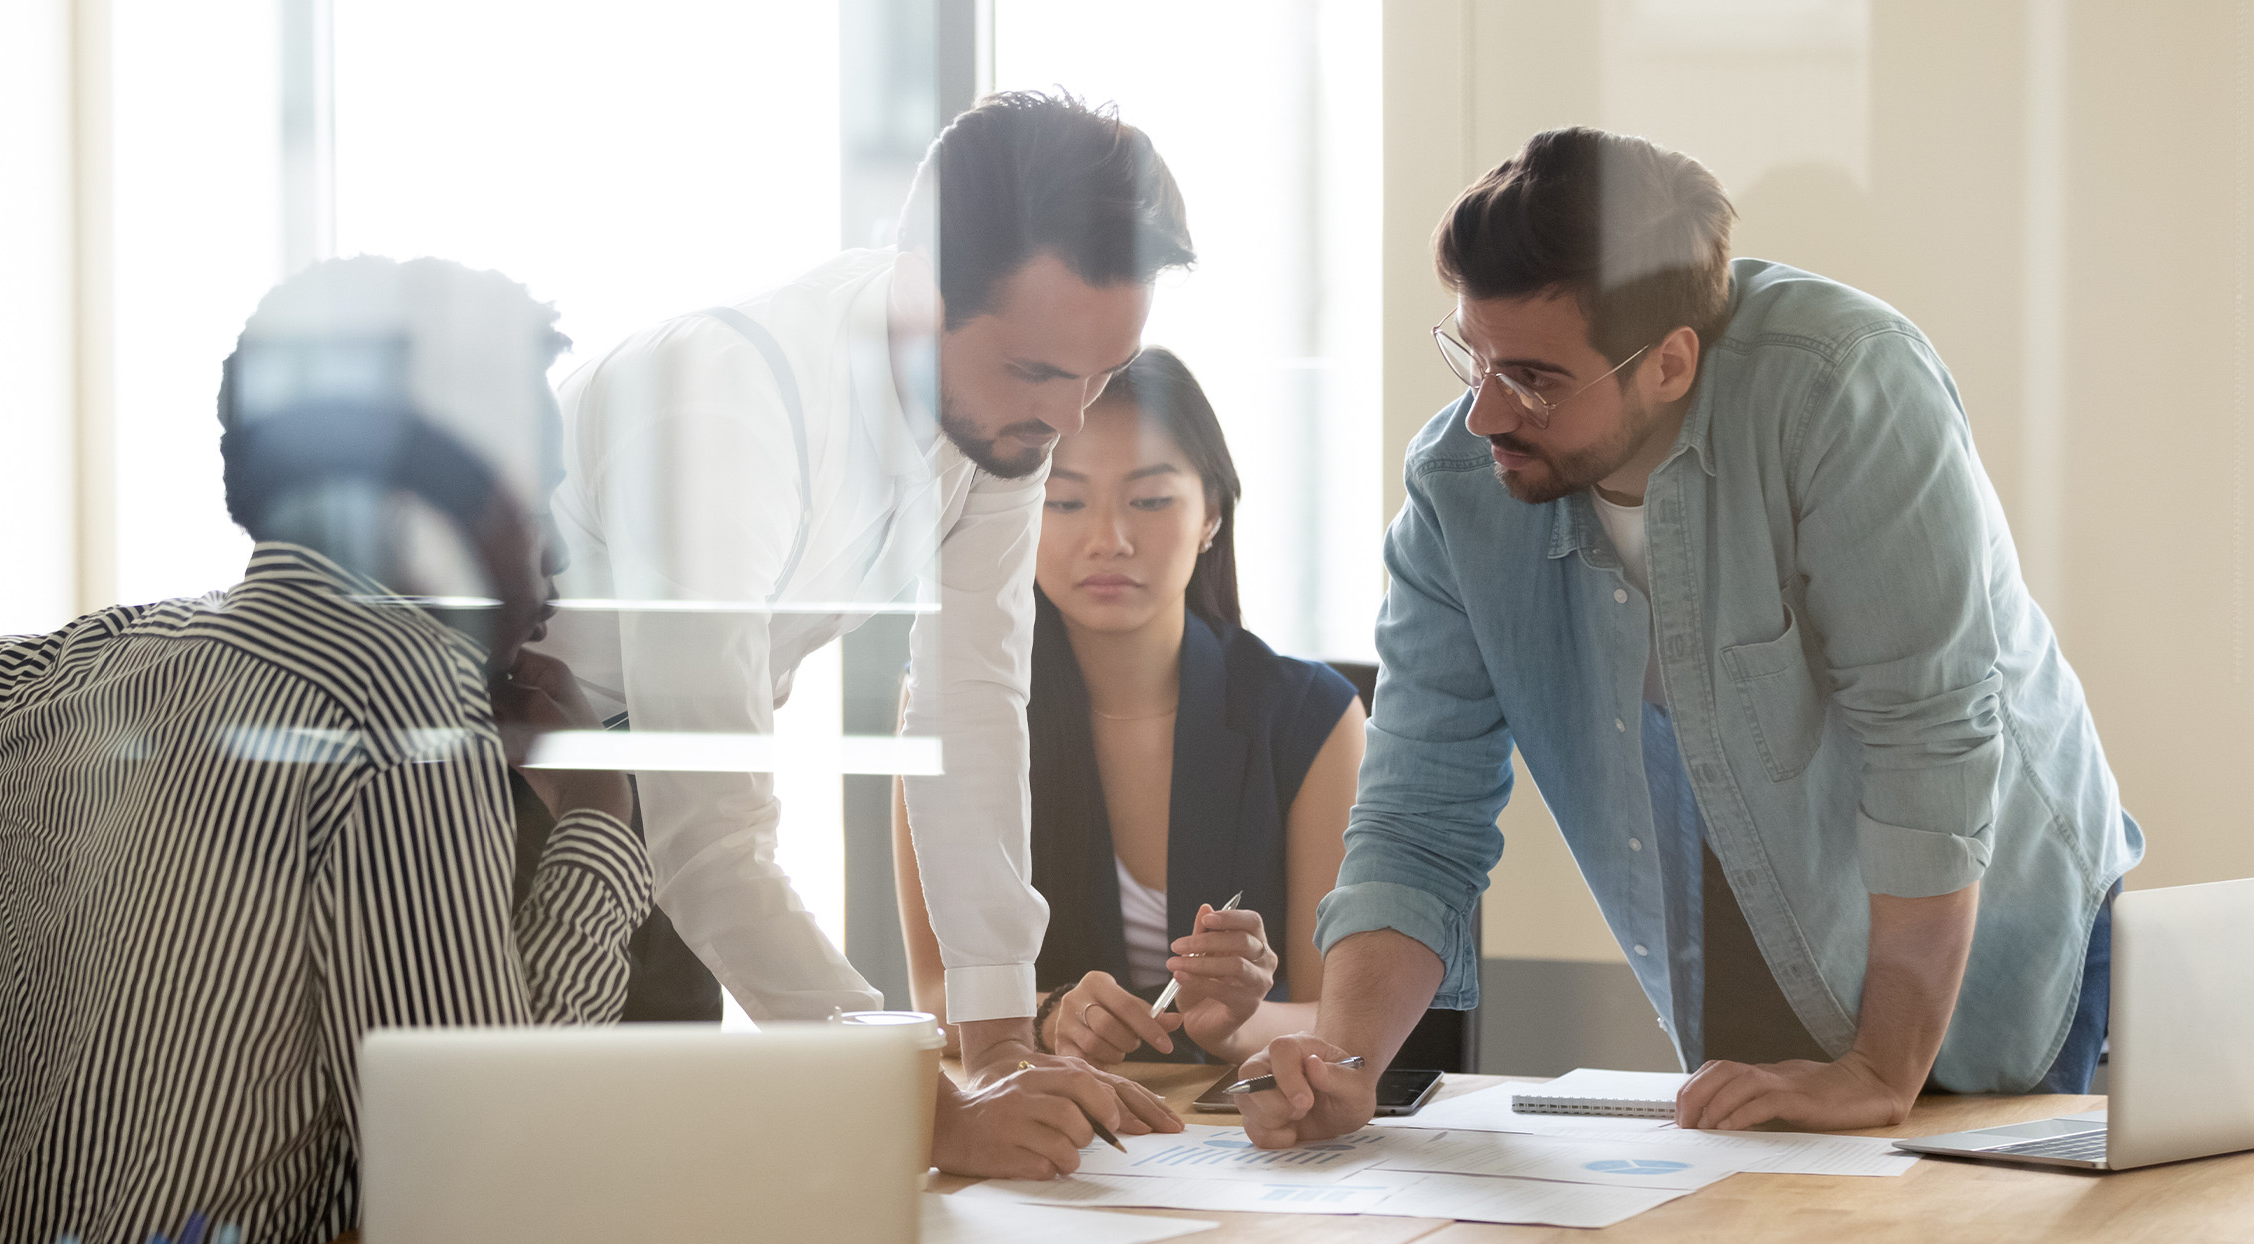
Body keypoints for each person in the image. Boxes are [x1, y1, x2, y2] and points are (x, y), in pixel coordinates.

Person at [1237, 127, 2140, 1148]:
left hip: (1984, 921)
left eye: (1531, 375)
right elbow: (1416, 814)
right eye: (1471, 356)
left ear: (1669, 362)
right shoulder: (1457, 490)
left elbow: (1928, 745)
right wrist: (1349, 1064)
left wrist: (1883, 1071)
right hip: (1740, 905)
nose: (1485, 412)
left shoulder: (1844, 387)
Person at [0, 257, 658, 1244]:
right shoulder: (400, 684)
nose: (555, 551)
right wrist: (597, 820)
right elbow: (477, 1173)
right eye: (532, 492)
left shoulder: (90, 660)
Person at [537, 91, 1197, 1090]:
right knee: (485, 1191)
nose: (1067, 418)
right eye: (1037, 370)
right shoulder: (727, 405)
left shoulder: (1002, 425)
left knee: (642, 1189)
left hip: (627, 796)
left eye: (1103, 375)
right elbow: (711, 817)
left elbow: (968, 704)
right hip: (437, 773)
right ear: (919, 285)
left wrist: (1002, 1044)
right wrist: (915, 1099)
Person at [892, 349, 1363, 1068]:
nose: (1108, 539)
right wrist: (1047, 1017)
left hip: (1241, 1139)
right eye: (1064, 500)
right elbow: (932, 991)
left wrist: (1235, 1026)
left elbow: (1340, 1012)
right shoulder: (955, 702)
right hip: (1050, 1129)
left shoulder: (1314, 717)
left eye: (1148, 500)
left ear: (1211, 513)